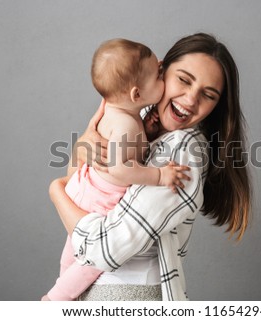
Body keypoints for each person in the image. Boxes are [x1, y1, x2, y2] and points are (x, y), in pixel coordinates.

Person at [48, 33, 253, 300]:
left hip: (127, 294)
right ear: (161, 71)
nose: (190, 100)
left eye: (208, 95)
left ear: (217, 106)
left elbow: (102, 248)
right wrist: (83, 147)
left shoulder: (182, 151)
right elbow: (81, 185)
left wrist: (55, 191)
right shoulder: (139, 117)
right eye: (183, 80)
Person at [43, 39, 190, 301]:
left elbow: (125, 148)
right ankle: (55, 300)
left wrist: (147, 130)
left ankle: (63, 288)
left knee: (73, 252)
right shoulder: (126, 124)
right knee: (90, 262)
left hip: (85, 184)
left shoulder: (119, 110)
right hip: (101, 198)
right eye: (158, 75)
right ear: (136, 95)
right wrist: (160, 175)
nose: (162, 74)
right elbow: (121, 169)